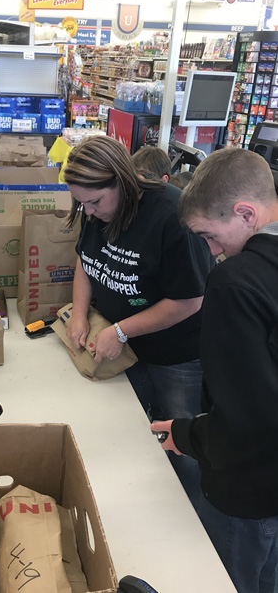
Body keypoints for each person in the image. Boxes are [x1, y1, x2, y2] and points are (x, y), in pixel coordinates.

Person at [151, 148, 278, 593]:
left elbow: (248, 417)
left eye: (207, 234)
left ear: (245, 213)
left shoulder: (236, 282)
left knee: (226, 577)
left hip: (248, 487)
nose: (209, 250)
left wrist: (186, 435)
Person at [64, 135, 213, 506]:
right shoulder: (96, 208)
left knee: (181, 439)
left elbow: (189, 300)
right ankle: (148, 505)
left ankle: (192, 516)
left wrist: (121, 330)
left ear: (122, 180)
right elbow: (86, 260)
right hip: (125, 347)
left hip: (177, 354)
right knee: (132, 430)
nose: (90, 212)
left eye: (95, 201)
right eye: (81, 203)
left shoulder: (171, 216)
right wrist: (79, 314)